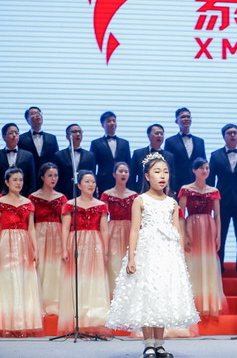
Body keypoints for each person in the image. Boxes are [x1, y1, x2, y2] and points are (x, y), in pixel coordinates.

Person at [107, 153, 199, 358]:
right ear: (147, 176)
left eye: (165, 172)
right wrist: (132, 258)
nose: (162, 176)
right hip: (147, 253)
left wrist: (179, 259)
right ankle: (148, 344)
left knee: (162, 297)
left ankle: (159, 344)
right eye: (157, 172)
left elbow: (176, 232)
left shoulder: (172, 203)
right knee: (147, 296)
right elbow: (134, 230)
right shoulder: (140, 200)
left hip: (167, 254)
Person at [58, 170, 110, 334]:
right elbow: (65, 228)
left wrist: (106, 251)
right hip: (76, 243)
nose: (91, 185)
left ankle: (94, 319)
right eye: (87, 181)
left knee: (95, 280)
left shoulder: (101, 205)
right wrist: (64, 249)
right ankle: (78, 319)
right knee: (78, 280)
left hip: (95, 243)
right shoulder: (70, 204)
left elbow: (104, 229)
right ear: (79, 185)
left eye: (93, 182)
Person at [178, 157, 227, 319]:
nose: (205, 171)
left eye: (207, 168)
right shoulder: (186, 189)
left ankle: (208, 304)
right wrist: (183, 235)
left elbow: (218, 215)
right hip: (191, 226)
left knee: (208, 264)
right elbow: (180, 214)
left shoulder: (213, 191)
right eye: (201, 168)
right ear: (194, 170)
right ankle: (192, 304)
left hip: (208, 227)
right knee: (193, 264)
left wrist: (218, 235)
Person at [207, 124, 237, 276]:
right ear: (224, 136)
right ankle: (218, 269)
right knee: (219, 236)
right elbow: (210, 181)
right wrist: (211, 202)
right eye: (229, 133)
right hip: (222, 201)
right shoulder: (215, 155)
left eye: (235, 133)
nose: (233, 135)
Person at [0, 168, 42, 337]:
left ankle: (23, 322)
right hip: (5, 242)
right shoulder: (1, 202)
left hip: (24, 242)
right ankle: (7, 323)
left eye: (21, 180)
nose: (18, 183)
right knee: (7, 281)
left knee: (24, 281)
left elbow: (31, 228)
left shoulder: (28, 203)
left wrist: (35, 249)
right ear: (7, 182)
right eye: (15, 180)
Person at [29, 163, 66, 316]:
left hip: (57, 235)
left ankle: (55, 302)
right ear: (42, 177)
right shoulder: (33, 197)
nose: (53, 178)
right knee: (41, 267)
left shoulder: (62, 198)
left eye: (55, 175)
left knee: (55, 268)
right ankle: (40, 302)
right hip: (40, 234)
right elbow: (30, 222)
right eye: (50, 175)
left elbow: (65, 222)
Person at [100, 162, 138, 296]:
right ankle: (114, 296)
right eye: (120, 171)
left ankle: (129, 296)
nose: (123, 174)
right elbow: (103, 219)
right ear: (114, 174)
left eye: (126, 172)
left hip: (130, 230)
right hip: (113, 231)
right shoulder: (106, 194)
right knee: (114, 263)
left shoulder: (134, 196)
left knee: (129, 260)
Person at [165, 107, 207, 192]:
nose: (186, 119)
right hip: (177, 184)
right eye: (183, 117)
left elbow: (204, 164)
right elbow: (168, 165)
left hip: (197, 184)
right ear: (176, 121)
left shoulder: (200, 141)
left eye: (188, 117)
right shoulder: (170, 141)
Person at [90, 111, 131, 195]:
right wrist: (94, 182)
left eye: (114, 121)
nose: (112, 123)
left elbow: (129, 164)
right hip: (103, 181)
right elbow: (93, 166)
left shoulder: (125, 143)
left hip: (122, 181)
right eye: (109, 121)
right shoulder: (96, 143)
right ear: (102, 125)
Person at [53, 124, 96, 199]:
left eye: (80, 132)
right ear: (67, 136)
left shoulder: (90, 155)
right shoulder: (59, 155)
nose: (78, 134)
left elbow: (93, 177)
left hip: (84, 193)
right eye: (74, 132)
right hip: (64, 193)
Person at [129, 124, 177, 193]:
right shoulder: (138, 154)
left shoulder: (169, 156)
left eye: (161, 134)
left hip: (163, 193)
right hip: (141, 192)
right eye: (157, 133)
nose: (159, 136)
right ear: (148, 135)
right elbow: (132, 176)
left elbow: (172, 178)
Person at [18, 106, 59, 174]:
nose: (37, 115)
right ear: (27, 120)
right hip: (29, 174)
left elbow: (56, 159)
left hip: (48, 175)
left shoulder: (52, 138)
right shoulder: (21, 138)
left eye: (39, 113)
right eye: (33, 114)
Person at [0, 123, 36, 196]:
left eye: (16, 133)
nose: (14, 135)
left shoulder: (28, 155)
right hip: (2, 196)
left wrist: (29, 198)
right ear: (4, 137)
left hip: (23, 196)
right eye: (11, 133)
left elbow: (32, 180)